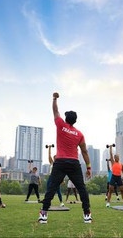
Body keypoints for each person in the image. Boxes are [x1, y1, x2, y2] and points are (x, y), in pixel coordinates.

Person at [38, 92, 92, 224]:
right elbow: (84, 152)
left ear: (66, 118)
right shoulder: (79, 134)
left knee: (52, 188)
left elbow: (55, 110)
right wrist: (89, 167)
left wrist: (55, 98)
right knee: (81, 188)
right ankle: (87, 214)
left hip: (60, 162)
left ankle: (44, 214)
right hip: (74, 163)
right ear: (75, 120)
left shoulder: (61, 125)